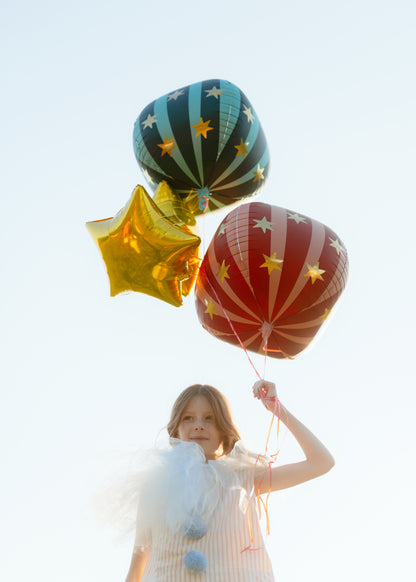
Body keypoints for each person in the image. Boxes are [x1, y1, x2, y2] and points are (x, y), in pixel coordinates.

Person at [124, 379, 335, 582]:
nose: (198, 425)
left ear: (224, 429)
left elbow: (321, 462)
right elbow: (137, 566)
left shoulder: (243, 478)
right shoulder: (155, 486)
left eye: (209, 418)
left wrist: (276, 407)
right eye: (188, 418)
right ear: (176, 428)